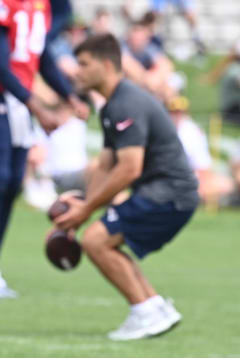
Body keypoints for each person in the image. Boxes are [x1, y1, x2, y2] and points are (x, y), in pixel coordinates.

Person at [55, 34, 198, 341]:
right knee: (103, 238)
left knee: (95, 241)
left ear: (107, 65)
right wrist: (82, 203)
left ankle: (144, 311)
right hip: (167, 193)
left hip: (168, 194)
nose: (76, 71)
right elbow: (105, 164)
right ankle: (157, 308)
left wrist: (87, 210)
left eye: (83, 64)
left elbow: (129, 167)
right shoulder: (111, 107)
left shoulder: (126, 103)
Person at [0, 0, 89, 299]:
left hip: (19, 102)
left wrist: (68, 95)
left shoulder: (39, 5)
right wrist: (37, 105)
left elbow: (42, 56)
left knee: (11, 186)